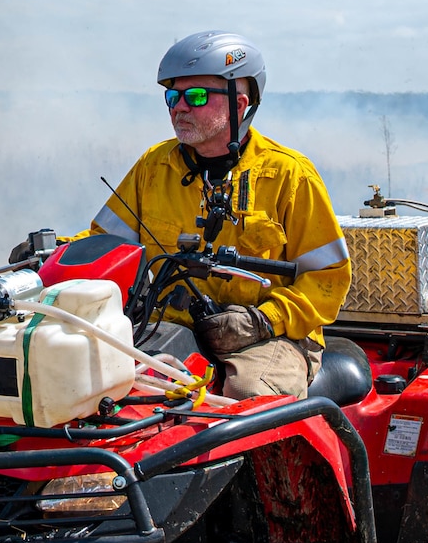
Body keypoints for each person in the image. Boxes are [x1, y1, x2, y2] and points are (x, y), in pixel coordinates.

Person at [89, 31, 351, 399]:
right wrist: (50, 253)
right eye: (172, 96)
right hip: (170, 326)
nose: (179, 107)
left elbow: (329, 278)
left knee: (247, 396)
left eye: (195, 96)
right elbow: (104, 246)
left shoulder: (290, 175)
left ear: (238, 104)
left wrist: (263, 320)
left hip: (270, 336)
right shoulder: (153, 166)